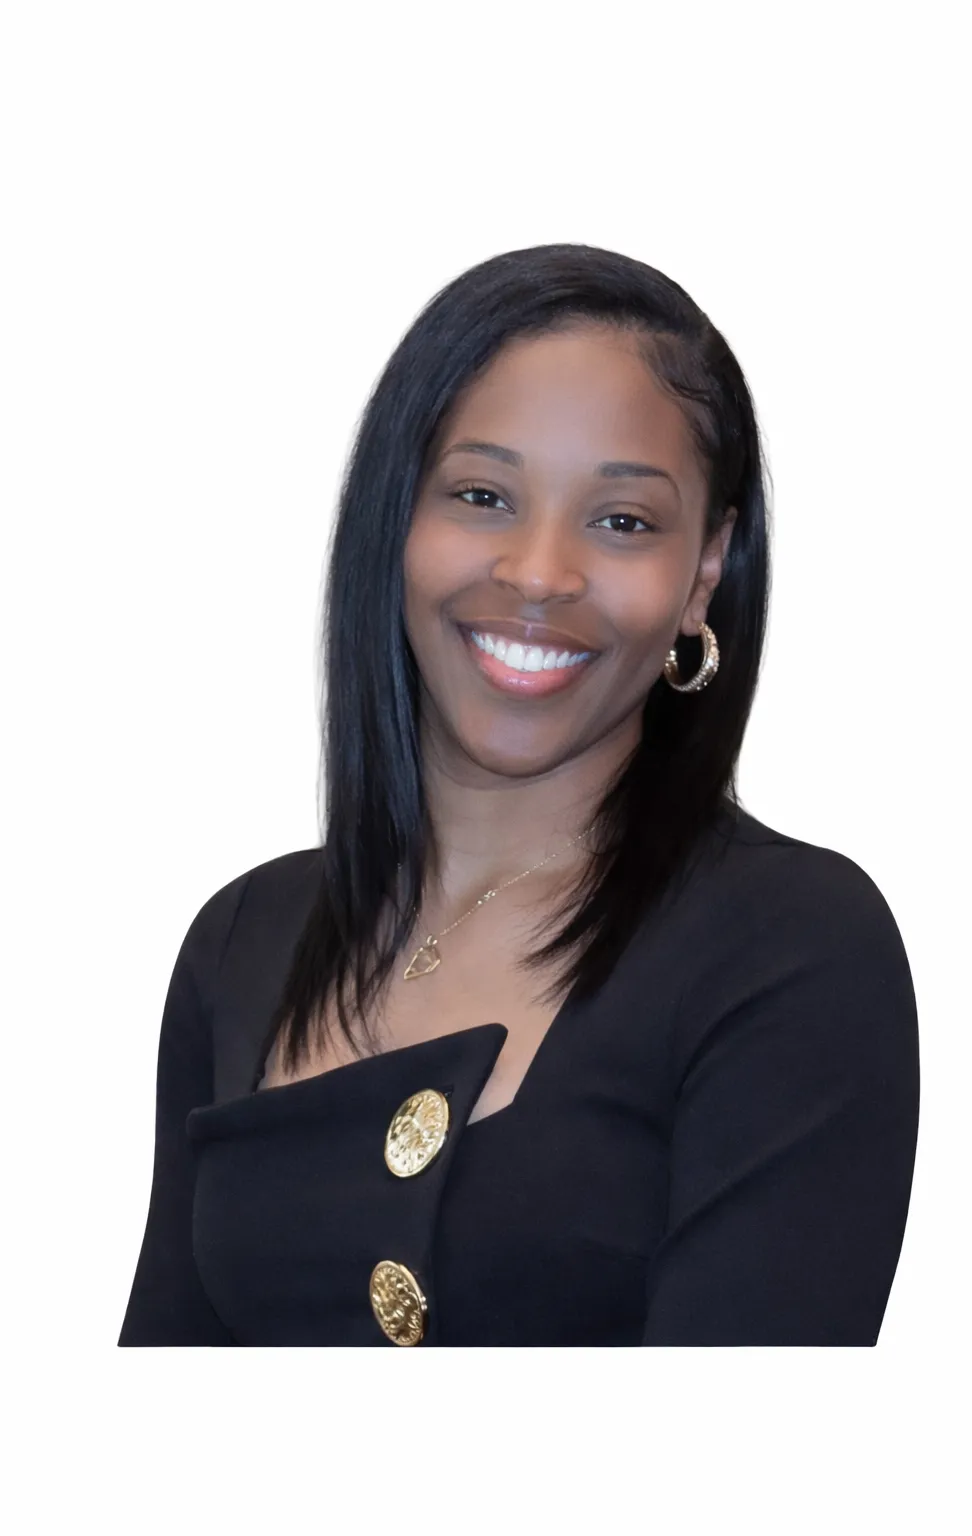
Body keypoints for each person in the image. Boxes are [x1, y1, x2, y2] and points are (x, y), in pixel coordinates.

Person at [118, 243, 919, 1347]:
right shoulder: (245, 937)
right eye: (483, 495)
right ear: (395, 521)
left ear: (702, 572)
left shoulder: (793, 947)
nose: (538, 574)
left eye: (623, 521)